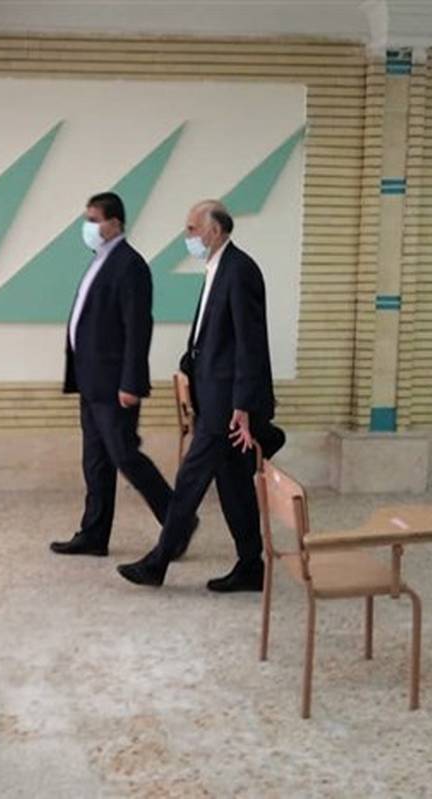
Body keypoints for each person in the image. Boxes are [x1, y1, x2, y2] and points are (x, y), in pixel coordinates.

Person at [118, 200, 285, 592]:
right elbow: (211, 337)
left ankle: (158, 562)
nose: (188, 235)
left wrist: (242, 404)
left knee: (191, 480)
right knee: (234, 484)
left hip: (226, 405)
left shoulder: (240, 270)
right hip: (213, 397)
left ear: (215, 230)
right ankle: (251, 566)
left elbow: (250, 343)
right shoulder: (217, 269)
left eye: (193, 228)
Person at [52, 192, 196, 557]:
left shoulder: (130, 265)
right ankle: (94, 534)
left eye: (94, 219)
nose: (88, 226)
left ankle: (179, 521)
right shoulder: (100, 261)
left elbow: (138, 327)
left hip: (115, 384)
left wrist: (131, 382)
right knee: (96, 460)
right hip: (91, 380)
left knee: (125, 456)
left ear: (114, 223)